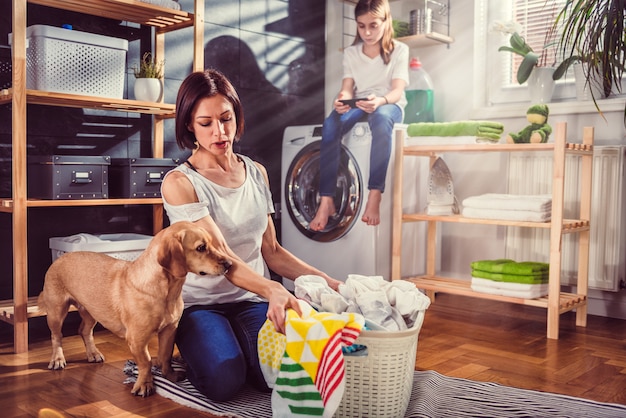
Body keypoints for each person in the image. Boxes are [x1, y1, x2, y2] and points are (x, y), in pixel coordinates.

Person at [161, 69, 342, 402]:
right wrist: (274, 288)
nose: (220, 131)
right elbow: (222, 258)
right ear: (189, 125)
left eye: (226, 118)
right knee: (224, 380)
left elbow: (271, 250)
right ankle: (192, 346)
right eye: (206, 123)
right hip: (202, 305)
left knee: (275, 374)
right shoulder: (180, 183)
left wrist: (328, 281)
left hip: (251, 299)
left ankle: (237, 349)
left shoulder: (256, 172)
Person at [309, 0, 409, 231]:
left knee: (382, 118)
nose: (367, 32)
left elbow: (397, 91)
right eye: (361, 26)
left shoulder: (399, 50)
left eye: (373, 25)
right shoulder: (352, 53)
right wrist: (341, 99)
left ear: (386, 21)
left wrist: (381, 100)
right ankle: (327, 200)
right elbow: (347, 87)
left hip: (387, 103)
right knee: (330, 123)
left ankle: (374, 194)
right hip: (359, 102)